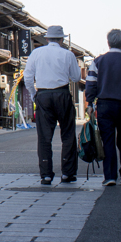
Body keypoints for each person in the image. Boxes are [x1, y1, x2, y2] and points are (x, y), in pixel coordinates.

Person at [23, 25, 81, 185]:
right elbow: (76, 77)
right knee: (68, 134)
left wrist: (35, 95)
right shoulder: (68, 54)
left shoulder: (36, 53)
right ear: (62, 39)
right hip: (62, 93)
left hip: (43, 94)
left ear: (47, 39)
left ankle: (46, 174)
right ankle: (68, 173)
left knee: (44, 136)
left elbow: (28, 77)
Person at [85, 29, 121, 186]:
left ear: (108, 42)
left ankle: (110, 176)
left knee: (107, 141)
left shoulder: (97, 62)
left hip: (104, 106)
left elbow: (91, 84)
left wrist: (90, 103)